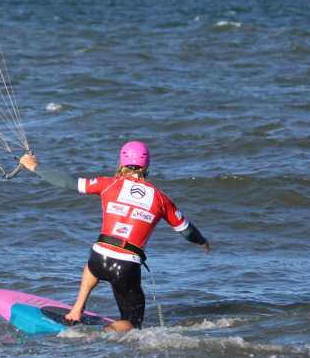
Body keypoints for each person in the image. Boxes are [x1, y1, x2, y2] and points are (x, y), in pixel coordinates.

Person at [19, 141, 210, 333]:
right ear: (147, 166)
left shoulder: (108, 184)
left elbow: (67, 182)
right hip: (126, 266)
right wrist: (202, 241)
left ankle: (76, 309)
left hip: (98, 257)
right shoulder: (161, 199)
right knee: (133, 325)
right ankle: (97, 338)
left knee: (92, 264)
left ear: (121, 163)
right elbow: (186, 231)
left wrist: (35, 166)